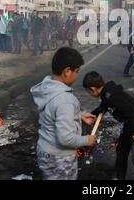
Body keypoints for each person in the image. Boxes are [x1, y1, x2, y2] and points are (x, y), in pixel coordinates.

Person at [30, 47, 96, 180]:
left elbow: (53, 112)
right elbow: (66, 138)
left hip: (45, 151)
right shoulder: (65, 100)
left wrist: (78, 115)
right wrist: (87, 140)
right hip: (60, 158)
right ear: (67, 71)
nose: (77, 75)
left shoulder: (48, 88)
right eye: (76, 71)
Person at [83, 71, 134, 180]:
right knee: (121, 151)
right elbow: (103, 107)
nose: (89, 94)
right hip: (128, 125)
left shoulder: (111, 95)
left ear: (93, 89)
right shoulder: (106, 94)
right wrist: (92, 115)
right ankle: (119, 176)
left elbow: (132, 110)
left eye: (88, 92)